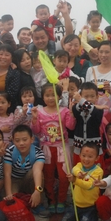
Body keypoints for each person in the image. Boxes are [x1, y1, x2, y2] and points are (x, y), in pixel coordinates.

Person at [32, 84, 76, 213]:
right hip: (46, 149)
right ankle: (51, 200)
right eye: (47, 95)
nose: (50, 98)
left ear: (59, 96)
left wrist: (71, 113)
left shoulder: (64, 111)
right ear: (42, 97)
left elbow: (71, 127)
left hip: (62, 148)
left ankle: (61, 200)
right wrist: (34, 119)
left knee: (64, 176)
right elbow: (36, 130)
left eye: (53, 95)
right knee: (48, 175)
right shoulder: (39, 111)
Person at [61, 142, 104, 221]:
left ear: (97, 158)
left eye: (90, 156)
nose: (86, 159)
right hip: (75, 205)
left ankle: (92, 217)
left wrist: (75, 180)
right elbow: (74, 169)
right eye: (84, 156)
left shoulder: (98, 171)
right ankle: (81, 219)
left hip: (89, 207)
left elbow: (89, 186)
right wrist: (78, 174)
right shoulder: (79, 166)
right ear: (80, 155)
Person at [3, 125, 46, 214]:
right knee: (12, 203)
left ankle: (38, 203)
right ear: (13, 140)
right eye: (17, 140)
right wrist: (9, 194)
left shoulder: (38, 153)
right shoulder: (9, 152)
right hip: (14, 181)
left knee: (37, 175)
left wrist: (37, 191)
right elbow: (7, 174)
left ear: (32, 139)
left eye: (25, 139)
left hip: (28, 179)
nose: (21, 143)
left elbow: (37, 171)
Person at [71, 82, 105, 164]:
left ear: (97, 97)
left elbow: (91, 109)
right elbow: (77, 108)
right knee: (78, 167)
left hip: (94, 146)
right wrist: (78, 100)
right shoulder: (76, 108)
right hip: (79, 146)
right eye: (86, 97)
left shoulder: (99, 110)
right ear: (80, 95)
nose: (89, 99)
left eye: (92, 96)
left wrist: (81, 100)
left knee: (95, 168)